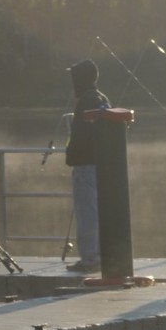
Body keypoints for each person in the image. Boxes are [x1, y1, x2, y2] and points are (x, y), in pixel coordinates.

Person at [63, 60, 111, 272]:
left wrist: (71, 154)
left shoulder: (86, 101)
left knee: (87, 214)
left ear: (80, 79)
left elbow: (82, 134)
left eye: (74, 77)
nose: (72, 82)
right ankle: (100, 255)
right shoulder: (102, 98)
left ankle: (90, 259)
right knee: (99, 213)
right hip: (101, 165)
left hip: (85, 166)